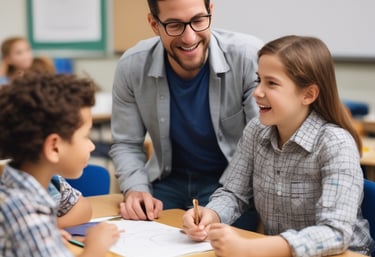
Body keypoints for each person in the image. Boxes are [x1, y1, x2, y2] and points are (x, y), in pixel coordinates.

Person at [182, 35, 374, 257]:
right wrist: (211, 214)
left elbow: (336, 233)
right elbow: (234, 194)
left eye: (271, 83)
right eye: (259, 80)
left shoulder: (335, 144)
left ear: (309, 94)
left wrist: (252, 248)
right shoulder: (256, 130)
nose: (257, 92)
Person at [110, 0, 263, 229]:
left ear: (211, 12)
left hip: (230, 185)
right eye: (174, 25)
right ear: (154, 24)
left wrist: (221, 204)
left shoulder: (249, 58)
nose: (189, 38)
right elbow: (126, 143)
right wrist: (136, 189)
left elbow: (261, 145)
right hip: (165, 183)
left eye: (198, 20)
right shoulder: (132, 66)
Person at [0, 73, 120, 256]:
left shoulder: (17, 191)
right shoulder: (29, 216)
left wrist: (50, 237)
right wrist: (96, 247)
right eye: (86, 136)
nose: (92, 145)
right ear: (54, 147)